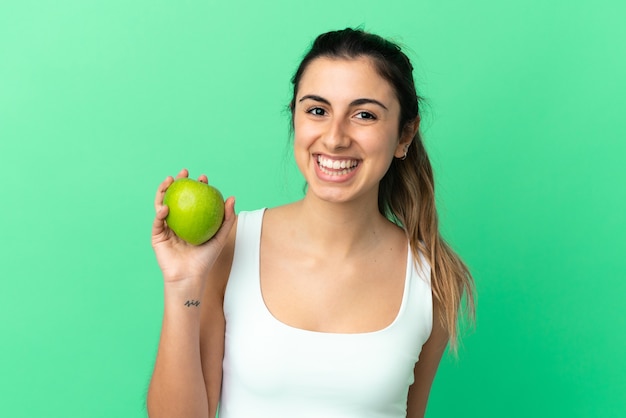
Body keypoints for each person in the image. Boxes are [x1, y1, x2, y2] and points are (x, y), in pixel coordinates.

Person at [147, 28, 475, 418]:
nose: (335, 138)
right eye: (317, 111)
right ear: (295, 120)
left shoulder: (432, 279)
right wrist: (183, 283)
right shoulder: (230, 246)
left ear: (405, 135)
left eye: (364, 115)